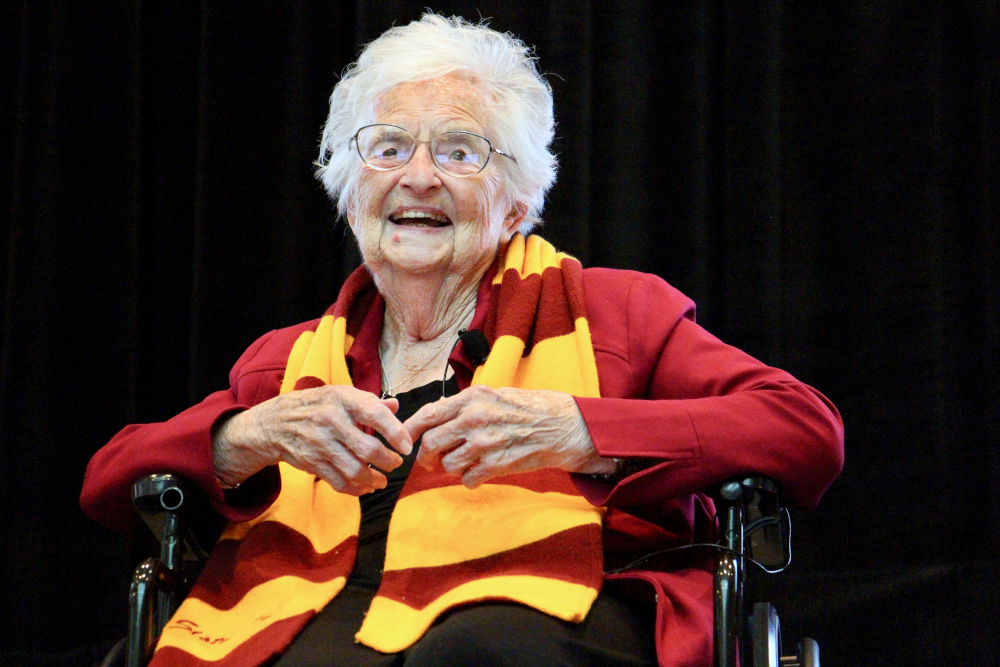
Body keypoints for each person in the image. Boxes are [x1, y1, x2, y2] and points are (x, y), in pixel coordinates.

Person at [81, 13, 844, 667]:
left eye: (459, 151)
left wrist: (583, 431)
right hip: (326, 606)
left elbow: (804, 429)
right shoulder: (288, 360)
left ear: (515, 205)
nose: (418, 176)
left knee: (477, 648)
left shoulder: (615, 313)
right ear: (351, 195)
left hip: (559, 601)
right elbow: (110, 479)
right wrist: (244, 436)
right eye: (387, 148)